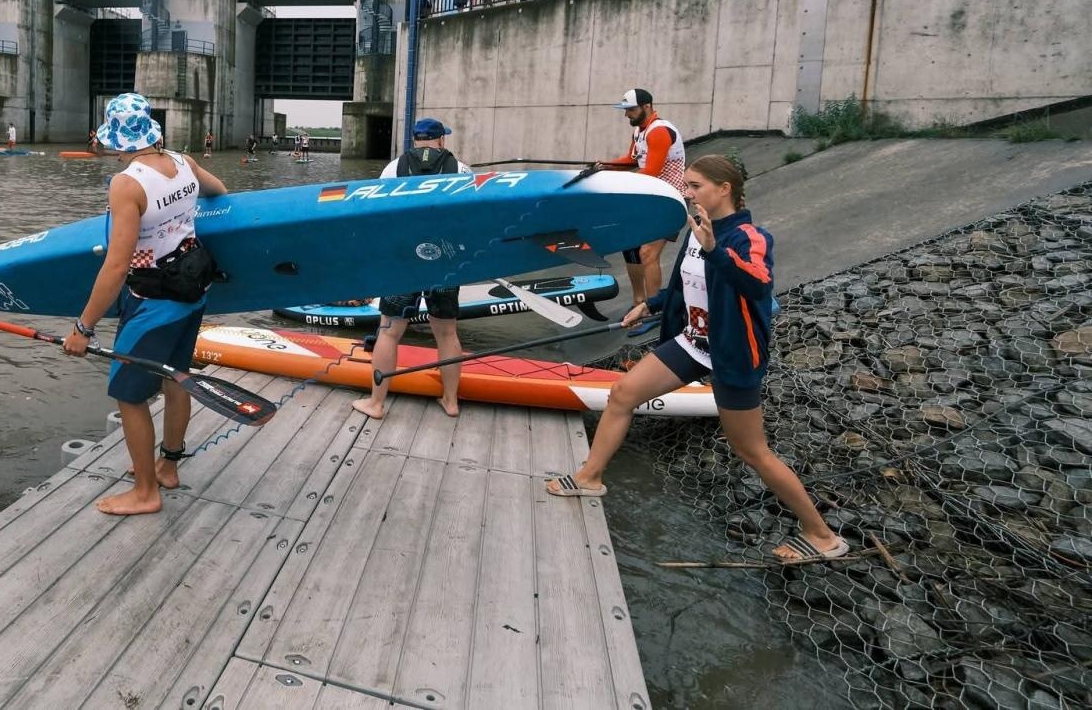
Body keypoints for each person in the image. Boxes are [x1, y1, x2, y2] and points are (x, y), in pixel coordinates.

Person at [546, 156, 847, 562]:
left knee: (751, 450)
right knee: (622, 393)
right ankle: (590, 476)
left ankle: (821, 535)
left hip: (733, 354)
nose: (687, 192)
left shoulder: (750, 237)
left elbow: (758, 284)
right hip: (693, 342)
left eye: (696, 185)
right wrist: (650, 304)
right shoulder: (696, 229)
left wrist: (715, 249)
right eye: (687, 184)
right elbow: (686, 286)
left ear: (725, 189)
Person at [63, 93, 228, 516]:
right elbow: (219, 191)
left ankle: (144, 492)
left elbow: (117, 266)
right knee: (177, 379)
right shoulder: (183, 162)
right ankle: (168, 468)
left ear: (116, 138)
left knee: (129, 395)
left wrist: (83, 328)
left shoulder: (127, 183)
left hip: (152, 302)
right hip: (193, 290)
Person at [351, 117, 474, 421]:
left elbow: (379, 215)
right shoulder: (462, 169)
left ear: (415, 140)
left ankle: (376, 404)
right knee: (446, 333)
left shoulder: (392, 168)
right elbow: (472, 215)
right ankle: (450, 400)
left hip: (404, 258)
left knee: (389, 332)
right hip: (445, 259)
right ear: (441, 140)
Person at [600, 88, 687, 334]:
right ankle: (638, 302)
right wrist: (603, 165)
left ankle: (653, 311)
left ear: (647, 106)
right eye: (626, 110)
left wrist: (616, 183)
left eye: (631, 109)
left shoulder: (659, 131)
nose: (627, 114)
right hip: (649, 198)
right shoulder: (640, 131)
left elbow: (652, 172)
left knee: (648, 252)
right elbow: (631, 159)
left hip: (670, 200)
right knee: (630, 249)